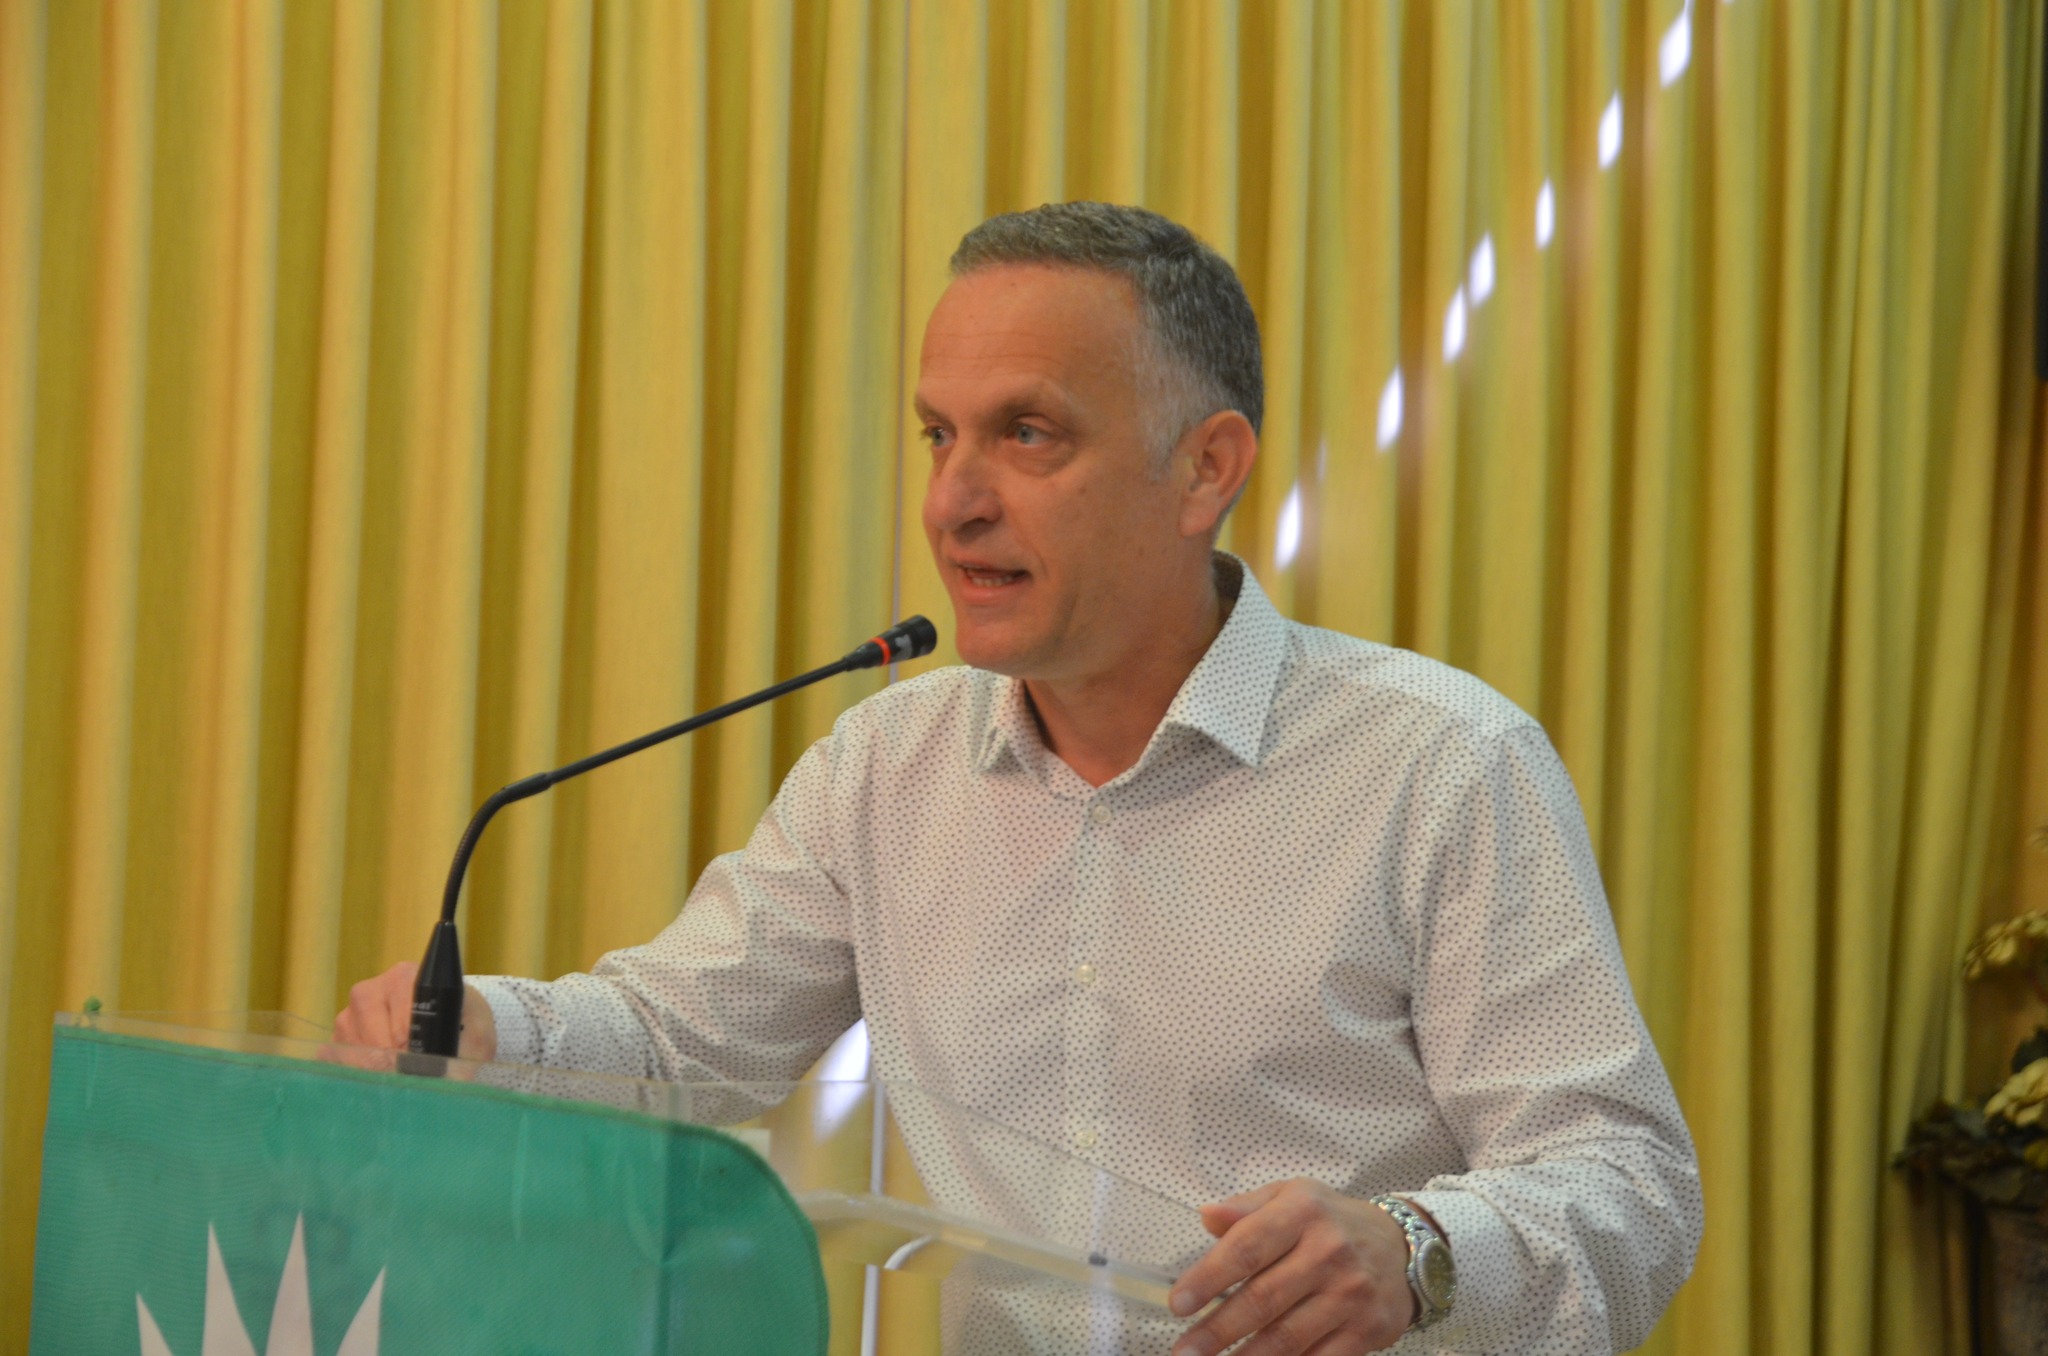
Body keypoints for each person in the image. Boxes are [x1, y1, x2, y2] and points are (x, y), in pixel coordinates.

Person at [337, 202, 1702, 1354]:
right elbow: (674, 1044)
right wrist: (485, 1031)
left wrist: (1416, 1247)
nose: (953, 503)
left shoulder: (1441, 764)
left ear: (1206, 470)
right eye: (940, 435)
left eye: (1029, 434)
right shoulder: (885, 768)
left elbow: (1628, 1181)